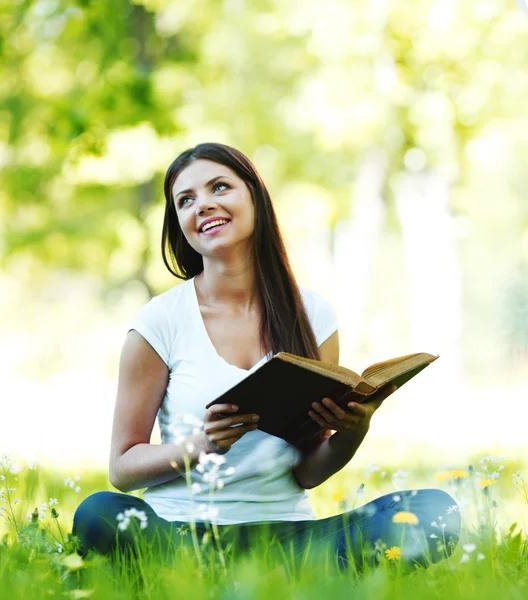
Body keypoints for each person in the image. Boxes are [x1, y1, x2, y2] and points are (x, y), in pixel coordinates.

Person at [72, 142, 460, 577]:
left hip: (289, 539)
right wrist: (202, 446)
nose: (204, 205)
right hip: (181, 535)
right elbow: (122, 469)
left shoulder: (314, 315)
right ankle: (229, 578)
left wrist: (353, 431)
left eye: (220, 186)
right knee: (98, 512)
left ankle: (239, 581)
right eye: (186, 200)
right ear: (179, 224)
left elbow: (308, 470)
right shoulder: (158, 322)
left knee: (434, 510)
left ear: (254, 196)